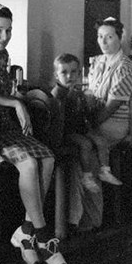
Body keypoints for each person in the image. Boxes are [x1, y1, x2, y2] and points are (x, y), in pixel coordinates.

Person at [0, 4, 67, 264]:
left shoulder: (3, 56)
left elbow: (6, 92)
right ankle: (42, 235)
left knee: (48, 158)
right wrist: (14, 104)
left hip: (6, 128)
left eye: (8, 30)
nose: (4, 36)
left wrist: (18, 100)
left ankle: (26, 232)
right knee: (29, 163)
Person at [51, 53, 104, 233]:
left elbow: (83, 120)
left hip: (74, 135)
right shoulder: (58, 95)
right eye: (64, 72)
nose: (69, 76)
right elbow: (59, 127)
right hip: (62, 139)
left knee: (96, 146)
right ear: (56, 75)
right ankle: (77, 218)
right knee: (85, 148)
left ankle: (89, 217)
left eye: (74, 72)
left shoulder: (76, 93)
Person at [85, 17, 132, 185]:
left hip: (112, 123)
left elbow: (111, 107)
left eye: (109, 37)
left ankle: (92, 204)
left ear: (120, 37)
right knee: (77, 147)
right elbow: (90, 92)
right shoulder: (98, 61)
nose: (103, 41)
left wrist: (89, 123)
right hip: (97, 119)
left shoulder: (124, 66)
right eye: (100, 36)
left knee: (85, 150)